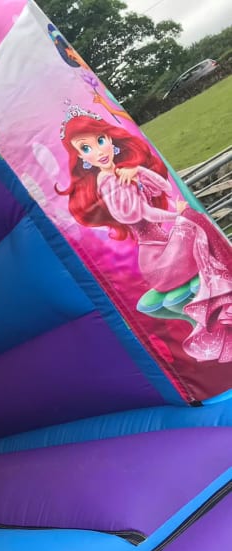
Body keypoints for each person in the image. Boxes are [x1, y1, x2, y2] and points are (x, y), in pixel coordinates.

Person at [57, 105, 232, 363]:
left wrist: (137, 170)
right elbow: (140, 213)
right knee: (193, 220)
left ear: (110, 140)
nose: (99, 151)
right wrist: (177, 216)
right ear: (82, 157)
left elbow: (163, 187)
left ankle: (216, 313)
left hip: (166, 250)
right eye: (86, 148)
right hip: (157, 262)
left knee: (194, 222)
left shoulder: (121, 173)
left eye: (100, 141)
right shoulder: (108, 184)